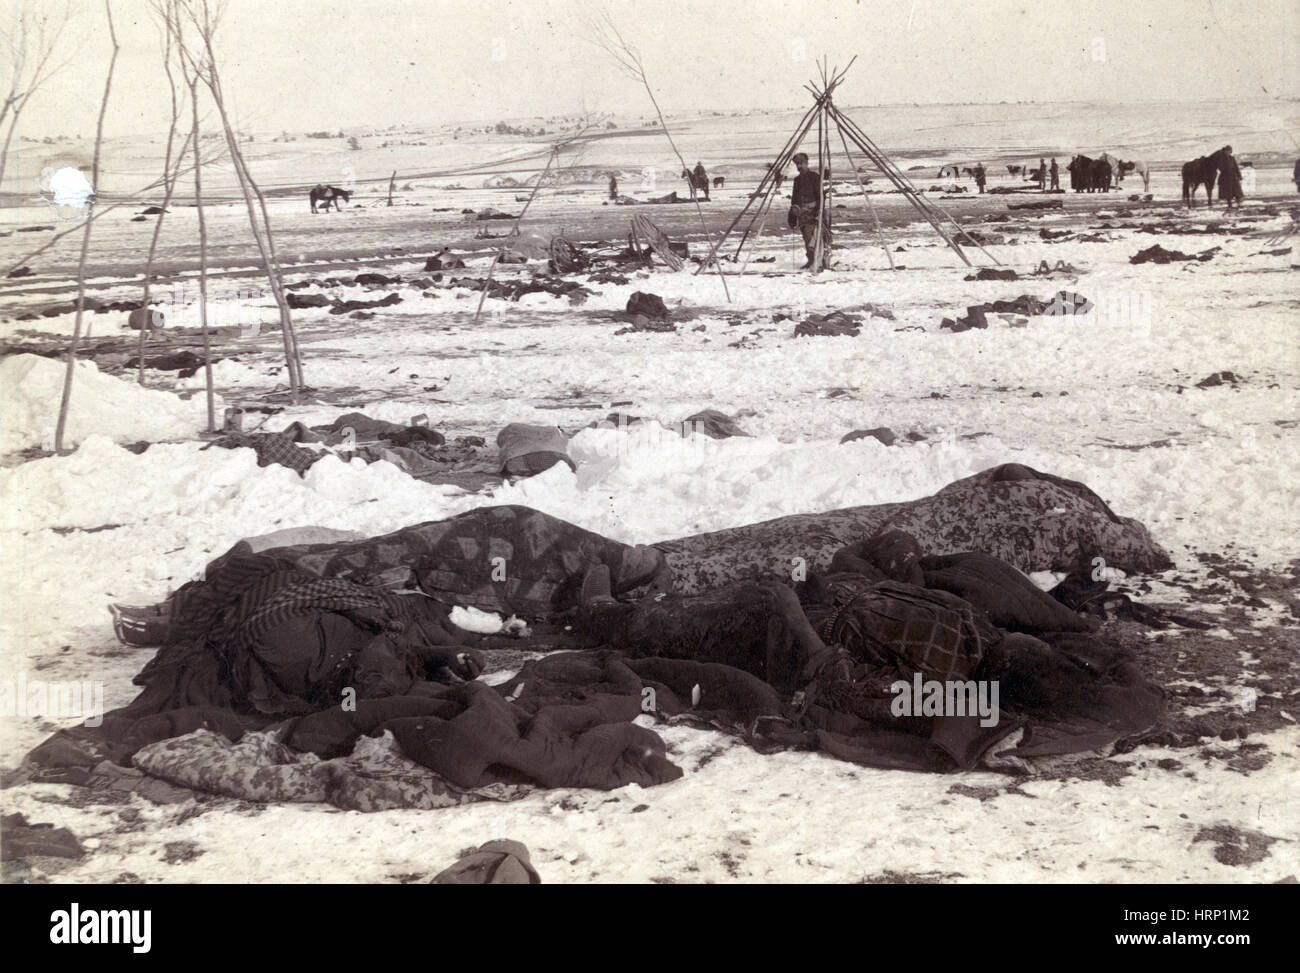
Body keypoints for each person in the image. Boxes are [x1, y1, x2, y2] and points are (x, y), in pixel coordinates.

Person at [786, 151, 832, 270]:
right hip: (802, 213)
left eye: (801, 163)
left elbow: (821, 196)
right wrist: (792, 213)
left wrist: (818, 210)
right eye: (797, 164)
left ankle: (820, 261)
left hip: (813, 212)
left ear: (806, 163)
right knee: (806, 237)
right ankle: (811, 260)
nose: (799, 166)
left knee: (815, 237)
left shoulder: (814, 177)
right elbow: (795, 197)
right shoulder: (797, 179)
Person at [1218, 145, 1244, 210]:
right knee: (1228, 192)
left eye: (1229, 151)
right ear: (1224, 151)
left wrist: (1239, 175)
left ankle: (1239, 204)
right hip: (1225, 177)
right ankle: (1230, 205)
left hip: (1233, 176)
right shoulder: (1221, 159)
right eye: (1227, 151)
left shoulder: (1232, 158)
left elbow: (1236, 167)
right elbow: (1220, 167)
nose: (1228, 152)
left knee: (1237, 191)